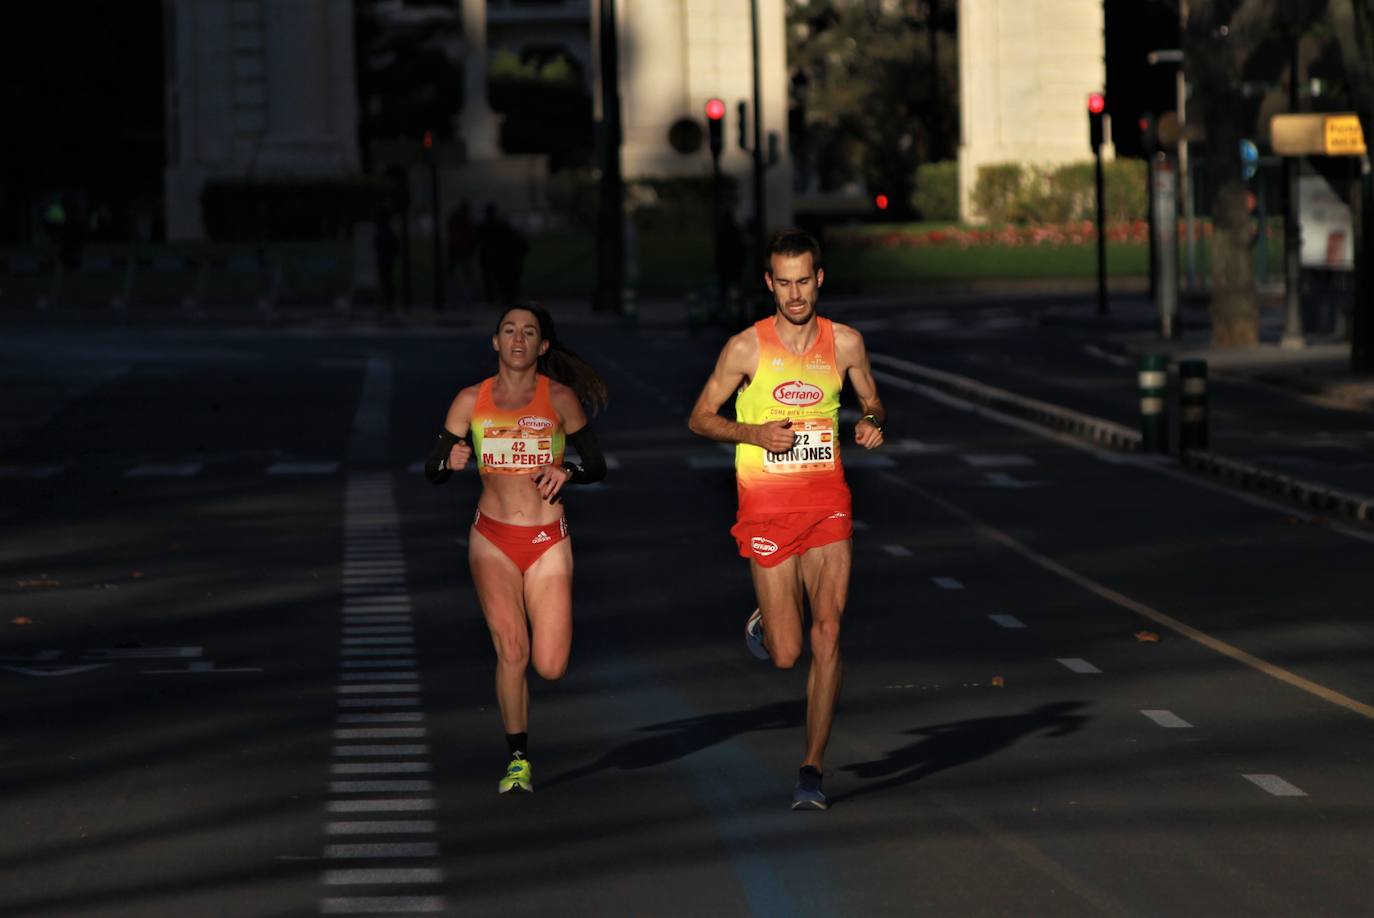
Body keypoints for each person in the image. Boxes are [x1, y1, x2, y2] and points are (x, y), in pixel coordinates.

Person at [687, 229, 886, 810]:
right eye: (784, 283)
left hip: (828, 503)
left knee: (828, 635)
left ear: (819, 279)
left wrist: (874, 422)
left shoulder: (845, 343)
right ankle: (766, 621)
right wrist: (752, 432)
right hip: (767, 508)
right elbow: (700, 417)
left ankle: (811, 770)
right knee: (786, 653)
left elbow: (872, 399)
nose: (795, 294)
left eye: (804, 281)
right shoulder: (745, 349)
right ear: (768, 284)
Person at [425, 303, 609, 793]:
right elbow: (434, 469)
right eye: (509, 330)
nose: (518, 339)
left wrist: (566, 469)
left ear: (543, 346)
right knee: (512, 650)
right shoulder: (470, 400)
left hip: (548, 541)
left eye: (529, 332)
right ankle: (518, 760)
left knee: (550, 664)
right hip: (492, 539)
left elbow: (596, 465)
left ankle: (522, 749)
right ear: (495, 342)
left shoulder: (561, 398)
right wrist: (452, 457)